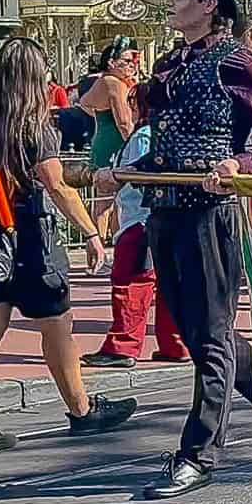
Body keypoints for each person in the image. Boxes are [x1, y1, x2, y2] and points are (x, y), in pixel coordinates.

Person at [94, 0, 252, 499]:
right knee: (200, 338)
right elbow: (166, 153)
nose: (170, 4)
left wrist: (237, 165)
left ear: (210, 5)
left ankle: (198, 453)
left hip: (213, 216)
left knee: (213, 335)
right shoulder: (173, 65)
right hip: (165, 214)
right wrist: (123, 172)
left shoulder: (241, 63)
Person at [0, 38, 137, 454]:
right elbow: (55, 184)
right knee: (57, 325)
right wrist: (90, 231)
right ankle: (82, 409)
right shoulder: (38, 125)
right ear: (35, 77)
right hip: (29, 235)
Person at [81, 85, 189, 369]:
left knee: (131, 283)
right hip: (167, 218)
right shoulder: (173, 135)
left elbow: (138, 173)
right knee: (168, 285)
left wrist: (112, 175)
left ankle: (123, 345)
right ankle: (175, 343)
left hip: (140, 219)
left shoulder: (144, 136)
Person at [79, 37, 141, 231]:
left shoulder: (106, 81)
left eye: (134, 62)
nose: (131, 66)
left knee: (113, 201)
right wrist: (135, 146)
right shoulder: (113, 83)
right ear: (112, 63)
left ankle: (113, 244)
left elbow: (85, 103)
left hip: (106, 140)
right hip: (114, 145)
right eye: (126, 62)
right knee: (106, 201)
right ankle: (100, 246)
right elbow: (124, 123)